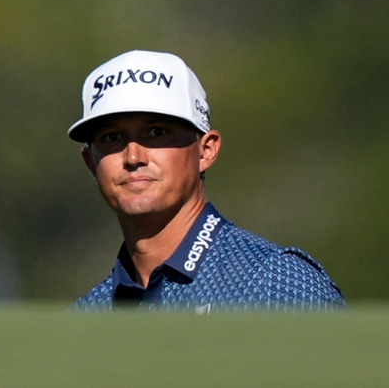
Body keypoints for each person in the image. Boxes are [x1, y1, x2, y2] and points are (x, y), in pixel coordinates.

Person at [69, 49, 344, 312]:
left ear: (206, 150)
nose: (133, 157)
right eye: (113, 137)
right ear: (90, 163)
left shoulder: (275, 283)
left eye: (157, 132)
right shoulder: (87, 316)